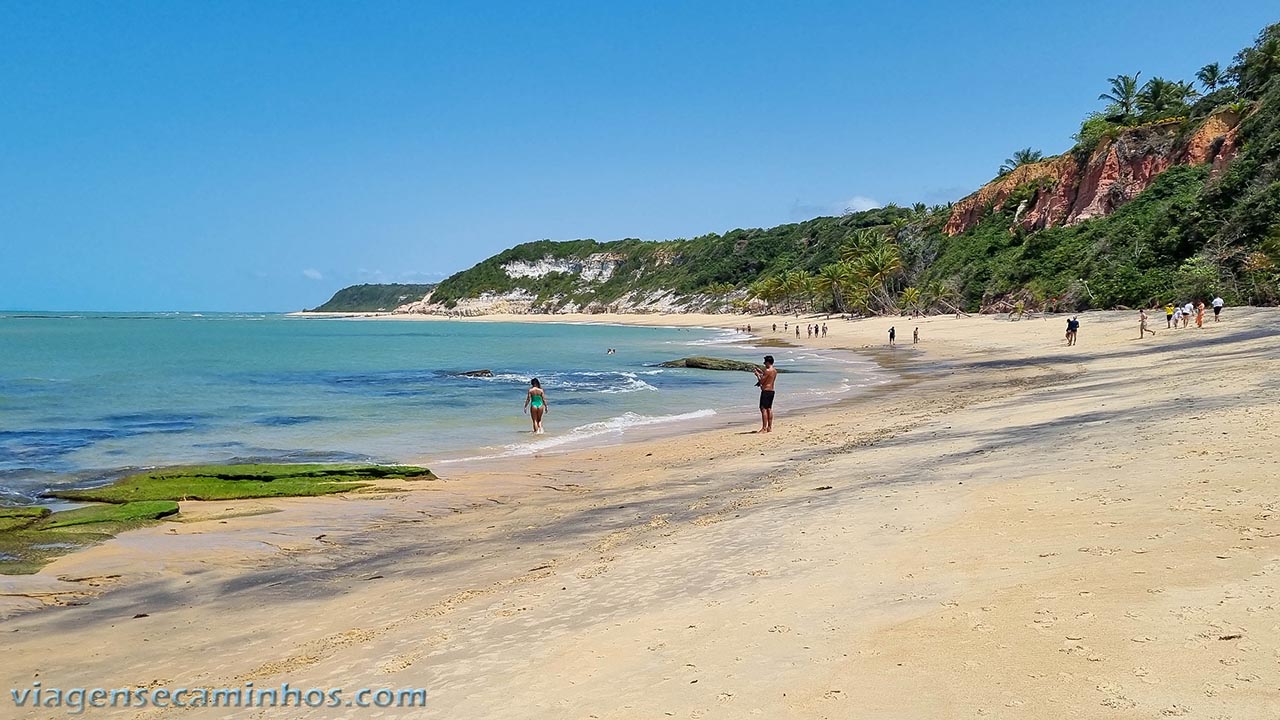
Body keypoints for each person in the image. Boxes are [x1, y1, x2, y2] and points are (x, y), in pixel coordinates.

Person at [751, 355, 778, 433]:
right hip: (772, 391)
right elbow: (768, 377)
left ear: (768, 362)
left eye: (765, 362)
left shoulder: (768, 370)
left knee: (763, 409)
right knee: (769, 408)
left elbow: (762, 381)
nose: (764, 364)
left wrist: (758, 375)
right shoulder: (774, 370)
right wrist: (761, 372)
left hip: (766, 391)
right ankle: (769, 427)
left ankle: (764, 428)